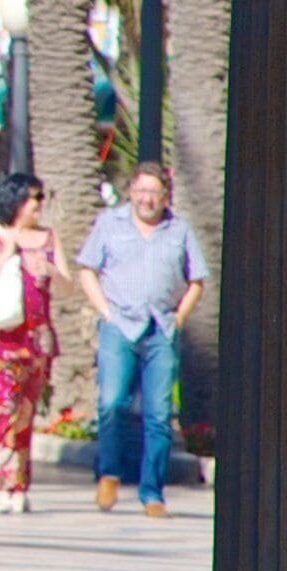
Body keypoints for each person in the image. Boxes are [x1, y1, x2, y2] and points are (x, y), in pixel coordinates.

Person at [76, 163, 208, 519]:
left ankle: (153, 492)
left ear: (166, 196)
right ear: (131, 192)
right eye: (141, 191)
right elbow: (87, 267)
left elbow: (197, 279)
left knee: (159, 415)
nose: (147, 199)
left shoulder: (178, 230)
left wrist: (179, 317)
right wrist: (105, 311)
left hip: (160, 328)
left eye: (154, 192)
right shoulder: (110, 224)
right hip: (119, 325)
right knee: (111, 404)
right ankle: (109, 473)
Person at [0, 173, 64, 516]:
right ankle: (1, 483)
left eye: (41, 197)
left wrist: (50, 270)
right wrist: (6, 255)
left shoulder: (48, 240)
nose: (39, 204)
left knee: (24, 415)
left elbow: (66, 288)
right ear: (16, 200)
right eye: (33, 197)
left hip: (36, 343)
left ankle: (20, 483)